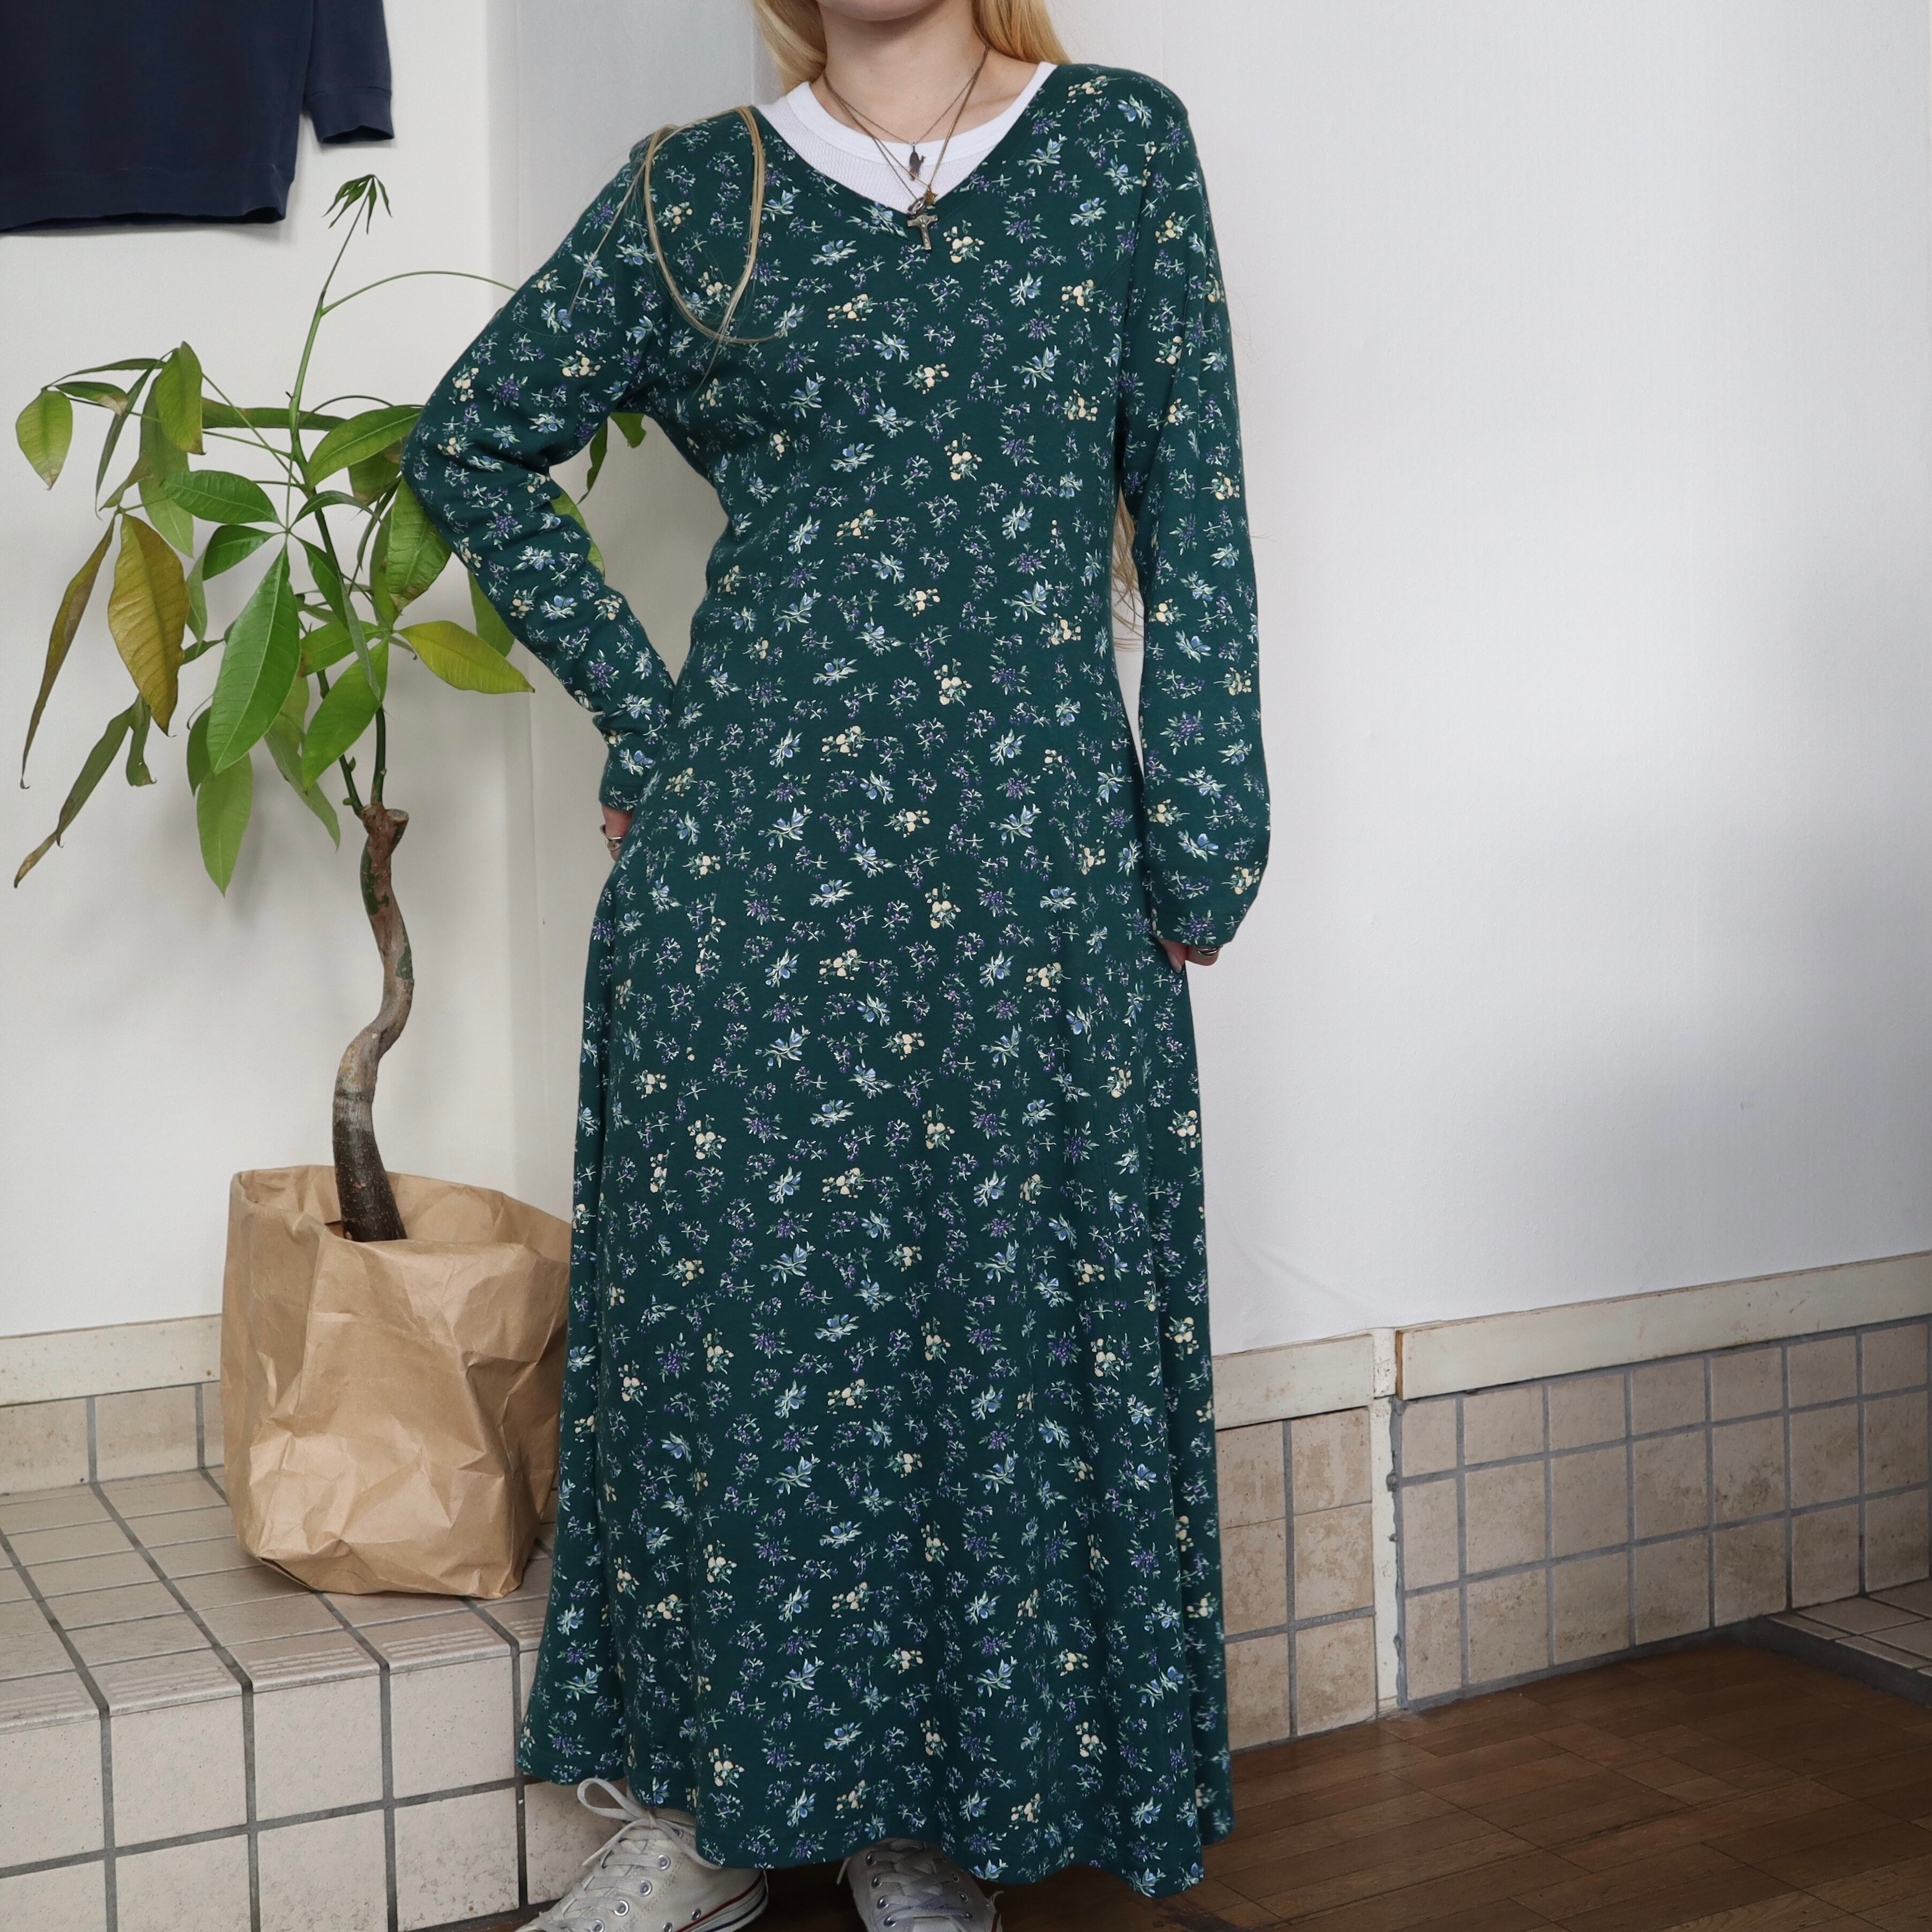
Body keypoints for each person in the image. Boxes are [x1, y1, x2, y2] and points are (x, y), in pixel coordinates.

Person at [402, 1, 1269, 1925]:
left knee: (992, 1325)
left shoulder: (1119, 147)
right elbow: (467, 440)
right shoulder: (693, 199)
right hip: (758, 867)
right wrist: (649, 717)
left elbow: (1195, 507)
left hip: (1033, 862)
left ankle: (928, 1823)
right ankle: (711, 1820)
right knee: (746, 1333)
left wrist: (1205, 818)